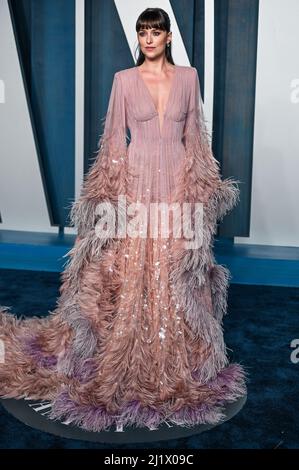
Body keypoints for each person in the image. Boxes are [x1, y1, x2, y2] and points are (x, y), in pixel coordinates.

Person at [0, 7, 247, 432]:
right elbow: (114, 140)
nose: (149, 38)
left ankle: (180, 353)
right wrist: (106, 200)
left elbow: (196, 138)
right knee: (132, 267)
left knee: (176, 267)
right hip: (134, 184)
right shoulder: (123, 81)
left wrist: (202, 192)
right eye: (143, 32)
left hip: (175, 184)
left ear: (169, 37)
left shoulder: (188, 78)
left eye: (156, 31)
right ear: (139, 38)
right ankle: (125, 349)